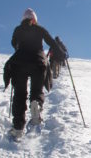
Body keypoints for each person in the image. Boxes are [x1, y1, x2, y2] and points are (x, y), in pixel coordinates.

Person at [6, 8, 65, 139]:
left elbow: (13, 43)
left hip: (20, 63)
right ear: (35, 20)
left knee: (20, 94)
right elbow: (52, 42)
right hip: (38, 63)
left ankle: (18, 128)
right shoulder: (40, 29)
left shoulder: (18, 29)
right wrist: (62, 54)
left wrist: (19, 46)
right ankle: (36, 104)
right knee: (36, 90)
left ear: (23, 19)